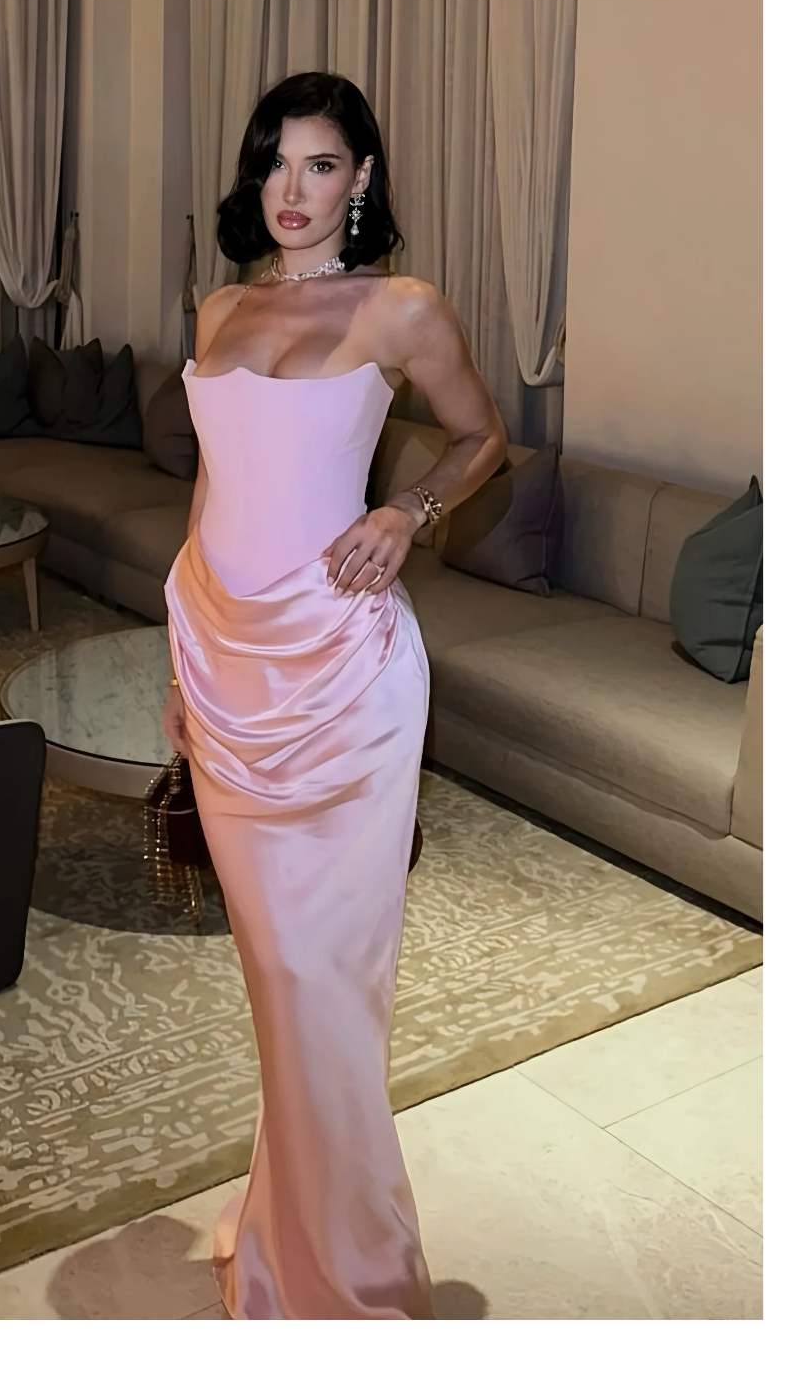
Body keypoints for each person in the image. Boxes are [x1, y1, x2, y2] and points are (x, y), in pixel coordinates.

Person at [162, 72, 506, 1321]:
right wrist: (179, 662)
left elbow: (482, 436)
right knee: (275, 977)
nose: (291, 190)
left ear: (360, 177)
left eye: (319, 165)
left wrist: (407, 510)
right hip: (226, 667)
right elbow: (212, 493)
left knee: (327, 984)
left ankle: (348, 1269)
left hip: (344, 682)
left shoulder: (400, 308)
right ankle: (288, 1231)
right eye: (274, 163)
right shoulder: (220, 307)